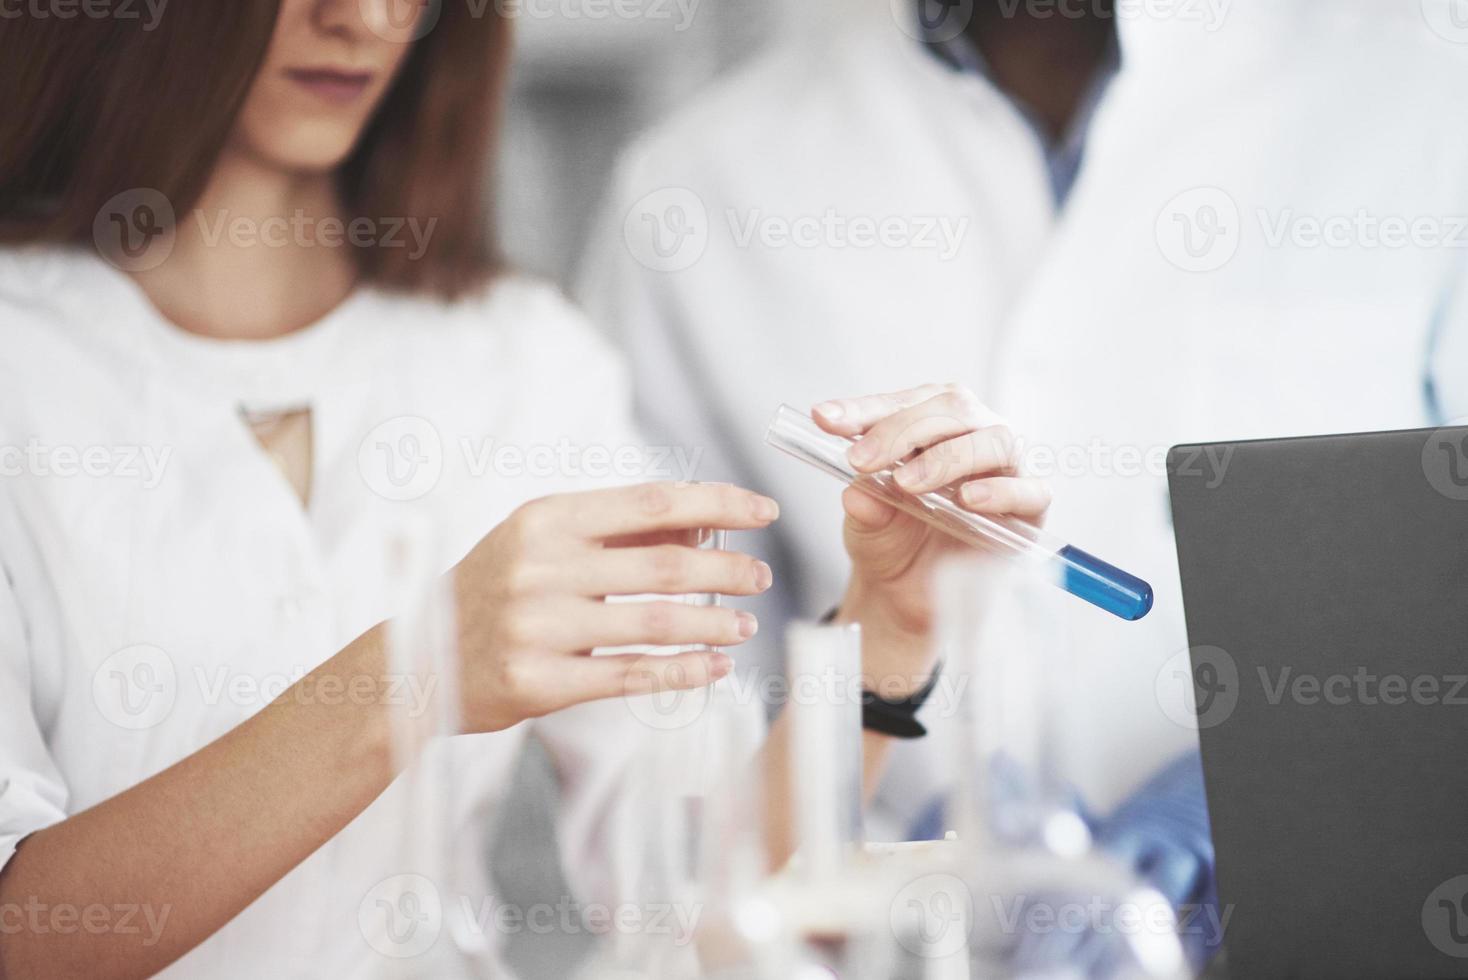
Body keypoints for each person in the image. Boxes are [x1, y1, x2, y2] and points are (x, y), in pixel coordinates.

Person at [0, 2, 1052, 977]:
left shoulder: (520, 359)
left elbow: (714, 909)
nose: (365, 20)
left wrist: (890, 629)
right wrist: (415, 673)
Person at [579, 0, 1468, 967]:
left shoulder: (1429, 85)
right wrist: (899, 859)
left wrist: (1213, 821)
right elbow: (669, 833)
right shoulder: (693, 189)